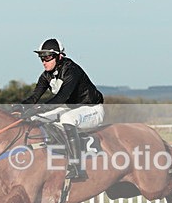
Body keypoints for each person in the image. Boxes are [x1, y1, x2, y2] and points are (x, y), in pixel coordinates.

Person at [12, 38, 104, 180]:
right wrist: (21, 106)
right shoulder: (46, 76)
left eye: (48, 57)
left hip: (92, 109)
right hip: (71, 109)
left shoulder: (71, 70)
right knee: (34, 119)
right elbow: (34, 97)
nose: (44, 61)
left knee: (67, 119)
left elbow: (61, 98)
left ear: (59, 56)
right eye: (41, 57)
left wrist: (38, 108)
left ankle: (77, 167)